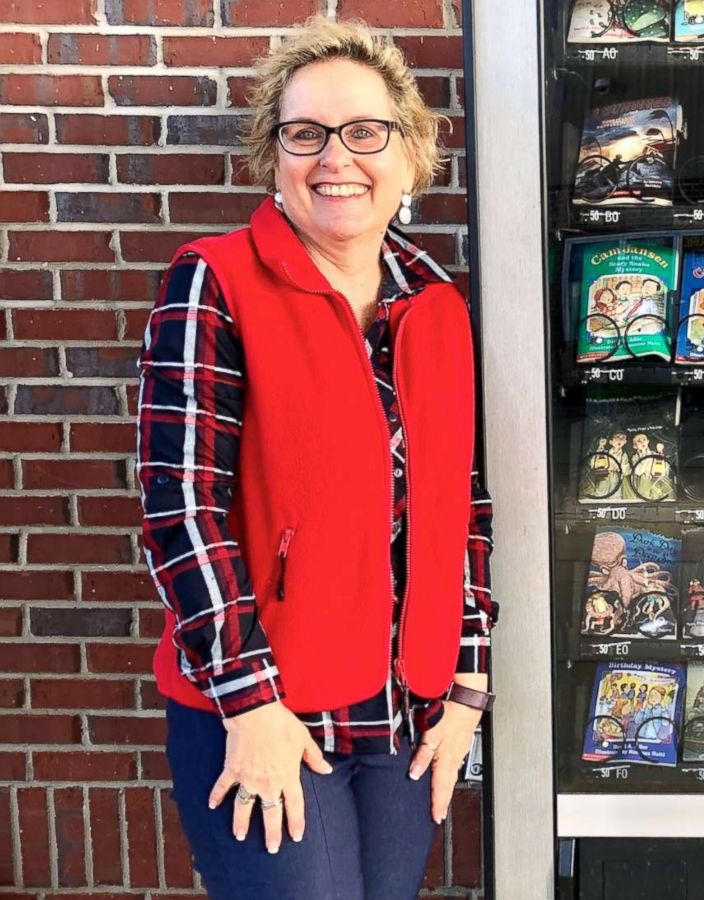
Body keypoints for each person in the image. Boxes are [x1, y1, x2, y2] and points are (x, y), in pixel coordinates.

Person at [136, 18, 496, 898]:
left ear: (410, 153)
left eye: (366, 132)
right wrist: (249, 702)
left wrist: (468, 685)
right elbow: (181, 511)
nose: (337, 158)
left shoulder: (435, 306)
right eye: (306, 134)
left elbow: (462, 508)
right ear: (275, 155)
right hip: (265, 705)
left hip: (404, 710)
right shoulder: (213, 284)